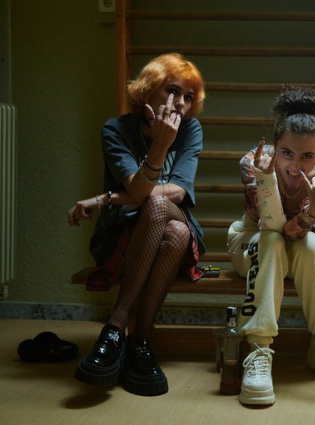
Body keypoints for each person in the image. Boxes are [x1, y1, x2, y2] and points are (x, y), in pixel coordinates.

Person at [67, 53, 206, 396]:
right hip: (126, 237)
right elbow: (140, 190)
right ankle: (140, 341)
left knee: (163, 208)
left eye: (189, 97)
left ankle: (115, 327)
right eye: (172, 91)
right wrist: (160, 144)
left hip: (177, 224)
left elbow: (178, 191)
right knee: (172, 230)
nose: (181, 103)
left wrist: (106, 198)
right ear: (148, 90)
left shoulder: (190, 129)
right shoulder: (116, 129)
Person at [227, 86, 315, 406]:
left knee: (313, 247)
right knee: (271, 241)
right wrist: (267, 181)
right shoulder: (254, 162)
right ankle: (258, 348)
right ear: (275, 146)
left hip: (295, 244)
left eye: (307, 156)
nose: (296, 165)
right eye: (287, 153)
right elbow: (272, 226)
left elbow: (296, 234)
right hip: (251, 239)